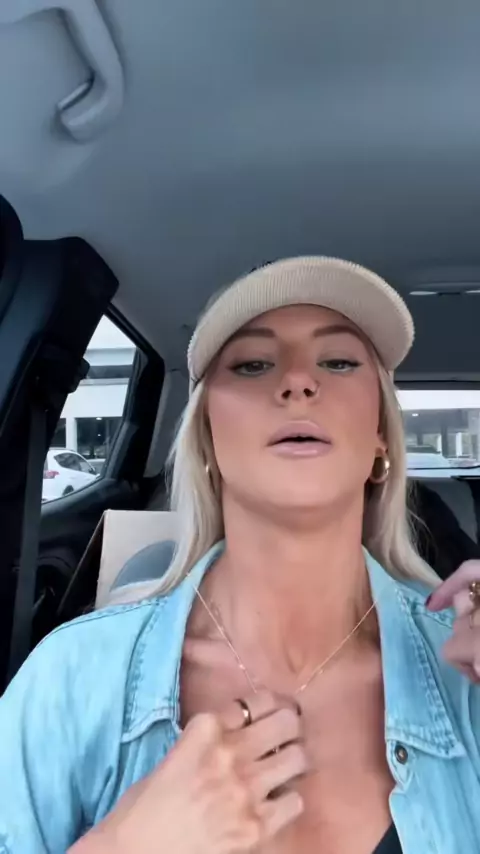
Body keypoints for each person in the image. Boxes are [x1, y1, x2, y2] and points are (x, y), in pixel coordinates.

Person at [1, 256, 480, 854]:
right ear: (206, 440)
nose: (298, 382)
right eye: (253, 364)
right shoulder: (70, 677)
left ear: (381, 434)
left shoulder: (466, 679)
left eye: (338, 362)